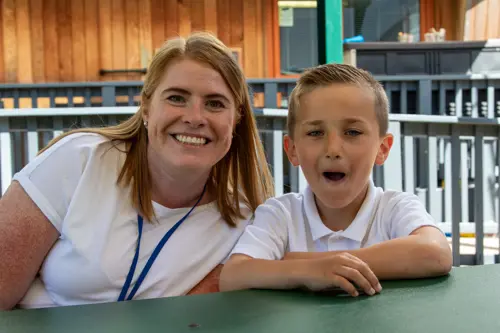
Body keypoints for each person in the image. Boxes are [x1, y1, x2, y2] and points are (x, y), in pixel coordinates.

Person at [0, 32, 275, 310]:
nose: (194, 117)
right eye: (177, 98)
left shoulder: (244, 219)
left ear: (237, 117)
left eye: (215, 103)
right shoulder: (79, 161)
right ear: (146, 107)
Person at [219, 63, 453, 297]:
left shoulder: (393, 207)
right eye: (315, 133)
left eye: (352, 132)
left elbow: (436, 252)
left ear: (382, 148)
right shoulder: (281, 214)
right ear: (292, 150)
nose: (332, 149)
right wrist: (308, 271)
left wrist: (319, 264)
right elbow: (233, 276)